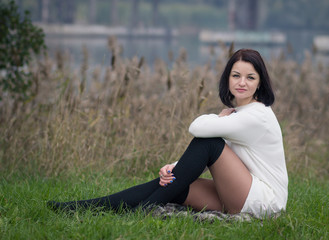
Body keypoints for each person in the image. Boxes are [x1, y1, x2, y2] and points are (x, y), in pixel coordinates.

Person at [47, 49, 288, 219]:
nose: (241, 82)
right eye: (236, 75)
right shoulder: (239, 113)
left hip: (264, 201)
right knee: (173, 184)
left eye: (250, 77)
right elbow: (217, 161)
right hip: (241, 193)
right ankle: (77, 208)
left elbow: (198, 129)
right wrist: (176, 167)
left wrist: (220, 118)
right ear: (228, 78)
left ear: (260, 83)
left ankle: (144, 210)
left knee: (209, 142)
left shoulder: (257, 115)